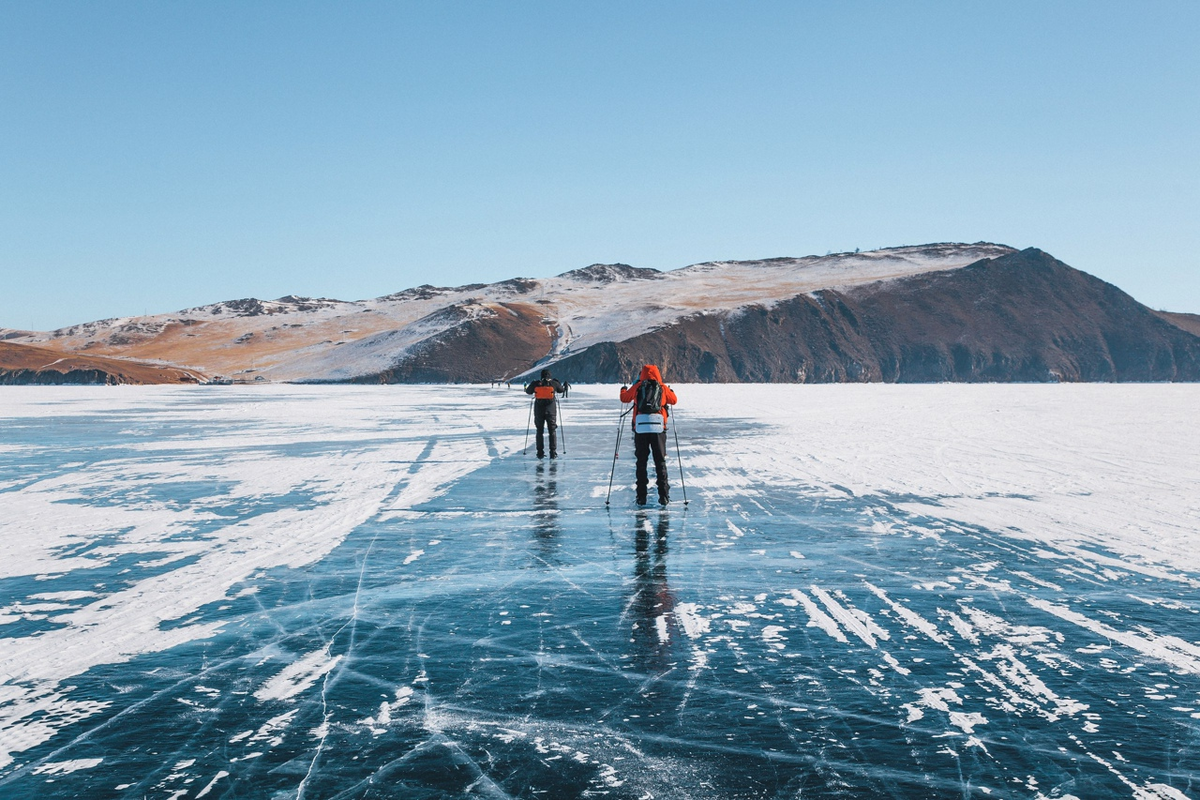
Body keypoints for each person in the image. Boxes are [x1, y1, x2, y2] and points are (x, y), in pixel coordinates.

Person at [619, 364, 678, 505]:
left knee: (641, 462)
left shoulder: (638, 386)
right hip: (658, 429)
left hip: (641, 429)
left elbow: (624, 398)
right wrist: (670, 391)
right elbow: (674, 400)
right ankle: (664, 496)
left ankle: (641, 497)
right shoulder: (662, 387)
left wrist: (623, 389)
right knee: (660, 462)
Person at [524, 368, 566, 459]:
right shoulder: (554, 383)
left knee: (539, 431)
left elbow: (528, 391)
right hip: (551, 411)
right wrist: (557, 382)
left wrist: (533, 384)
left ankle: (540, 453)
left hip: (539, 411)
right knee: (552, 431)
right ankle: (553, 452)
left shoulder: (536, 383)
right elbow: (561, 390)